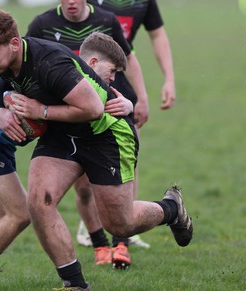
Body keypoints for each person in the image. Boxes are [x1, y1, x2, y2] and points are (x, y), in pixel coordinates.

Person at [0, 9, 193, 291]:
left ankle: (171, 209)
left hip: (107, 134)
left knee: (120, 225)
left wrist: (42, 110)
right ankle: (75, 284)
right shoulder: (11, 61)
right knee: (40, 202)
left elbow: (93, 108)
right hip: (65, 133)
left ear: (14, 44)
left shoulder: (50, 63)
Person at [0, 32, 134, 290]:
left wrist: (128, 104)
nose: (113, 79)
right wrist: (0, 109)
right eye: (112, 72)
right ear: (92, 64)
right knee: (20, 214)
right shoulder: (46, 73)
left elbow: (95, 106)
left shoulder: (62, 86)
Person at [26, 0, 151, 268]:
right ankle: (100, 245)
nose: (71, 2)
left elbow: (126, 59)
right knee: (83, 191)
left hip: (107, 114)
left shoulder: (107, 20)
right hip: (69, 122)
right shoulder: (42, 24)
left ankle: (121, 244)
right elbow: (25, 66)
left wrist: (138, 99)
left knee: (116, 195)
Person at [85, 0, 177, 249]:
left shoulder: (143, 2)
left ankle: (124, 227)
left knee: (127, 154)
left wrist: (165, 81)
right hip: (81, 84)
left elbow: (154, 36)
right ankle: (92, 227)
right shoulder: (85, 5)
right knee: (83, 165)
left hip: (118, 82)